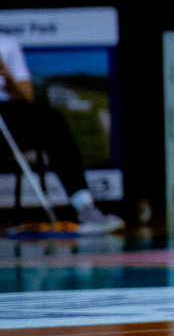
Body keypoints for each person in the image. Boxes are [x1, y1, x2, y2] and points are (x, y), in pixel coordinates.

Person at [0, 33, 123, 234]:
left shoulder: (7, 44)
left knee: (52, 121)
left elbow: (26, 95)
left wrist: (5, 73)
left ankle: (84, 206)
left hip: (7, 113)